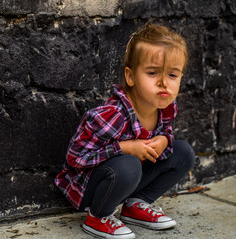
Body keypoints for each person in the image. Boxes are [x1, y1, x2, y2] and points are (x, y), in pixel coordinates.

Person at [55, 24, 196, 239]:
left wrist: (164, 140)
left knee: (183, 152)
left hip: (129, 178)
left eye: (173, 75)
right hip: (90, 187)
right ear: (130, 77)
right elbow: (75, 158)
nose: (163, 83)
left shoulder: (165, 107)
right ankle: (97, 217)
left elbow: (166, 132)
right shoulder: (113, 115)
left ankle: (135, 205)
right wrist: (123, 148)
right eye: (152, 72)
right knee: (129, 164)